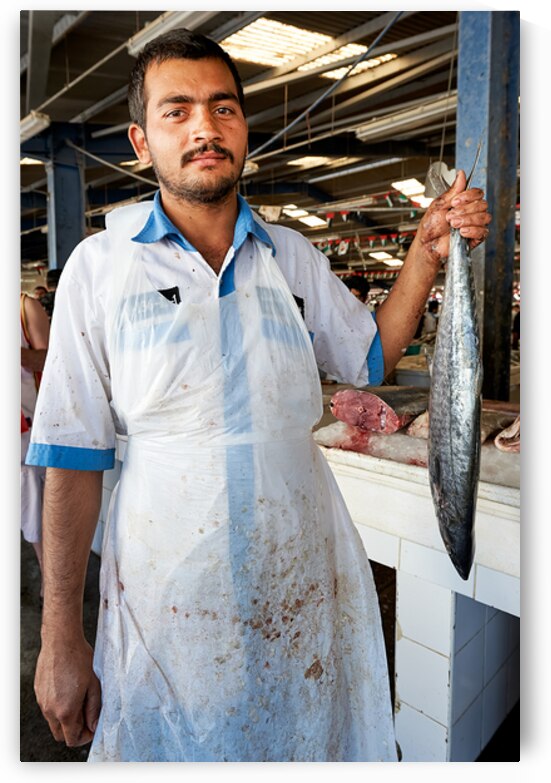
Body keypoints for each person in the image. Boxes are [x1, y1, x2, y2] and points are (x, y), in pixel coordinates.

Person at [27, 28, 491, 762]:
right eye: (176, 111)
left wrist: (426, 255)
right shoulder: (101, 268)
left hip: (301, 571)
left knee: (307, 734)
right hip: (166, 592)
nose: (205, 128)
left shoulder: (291, 255)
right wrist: (61, 638)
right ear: (140, 142)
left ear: (244, 128)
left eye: (223, 108)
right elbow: (70, 457)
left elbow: (369, 352)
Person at [20, 292, 50, 587]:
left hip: (29, 431)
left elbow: (51, 360)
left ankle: (49, 582)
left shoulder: (25, 306)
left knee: (36, 514)